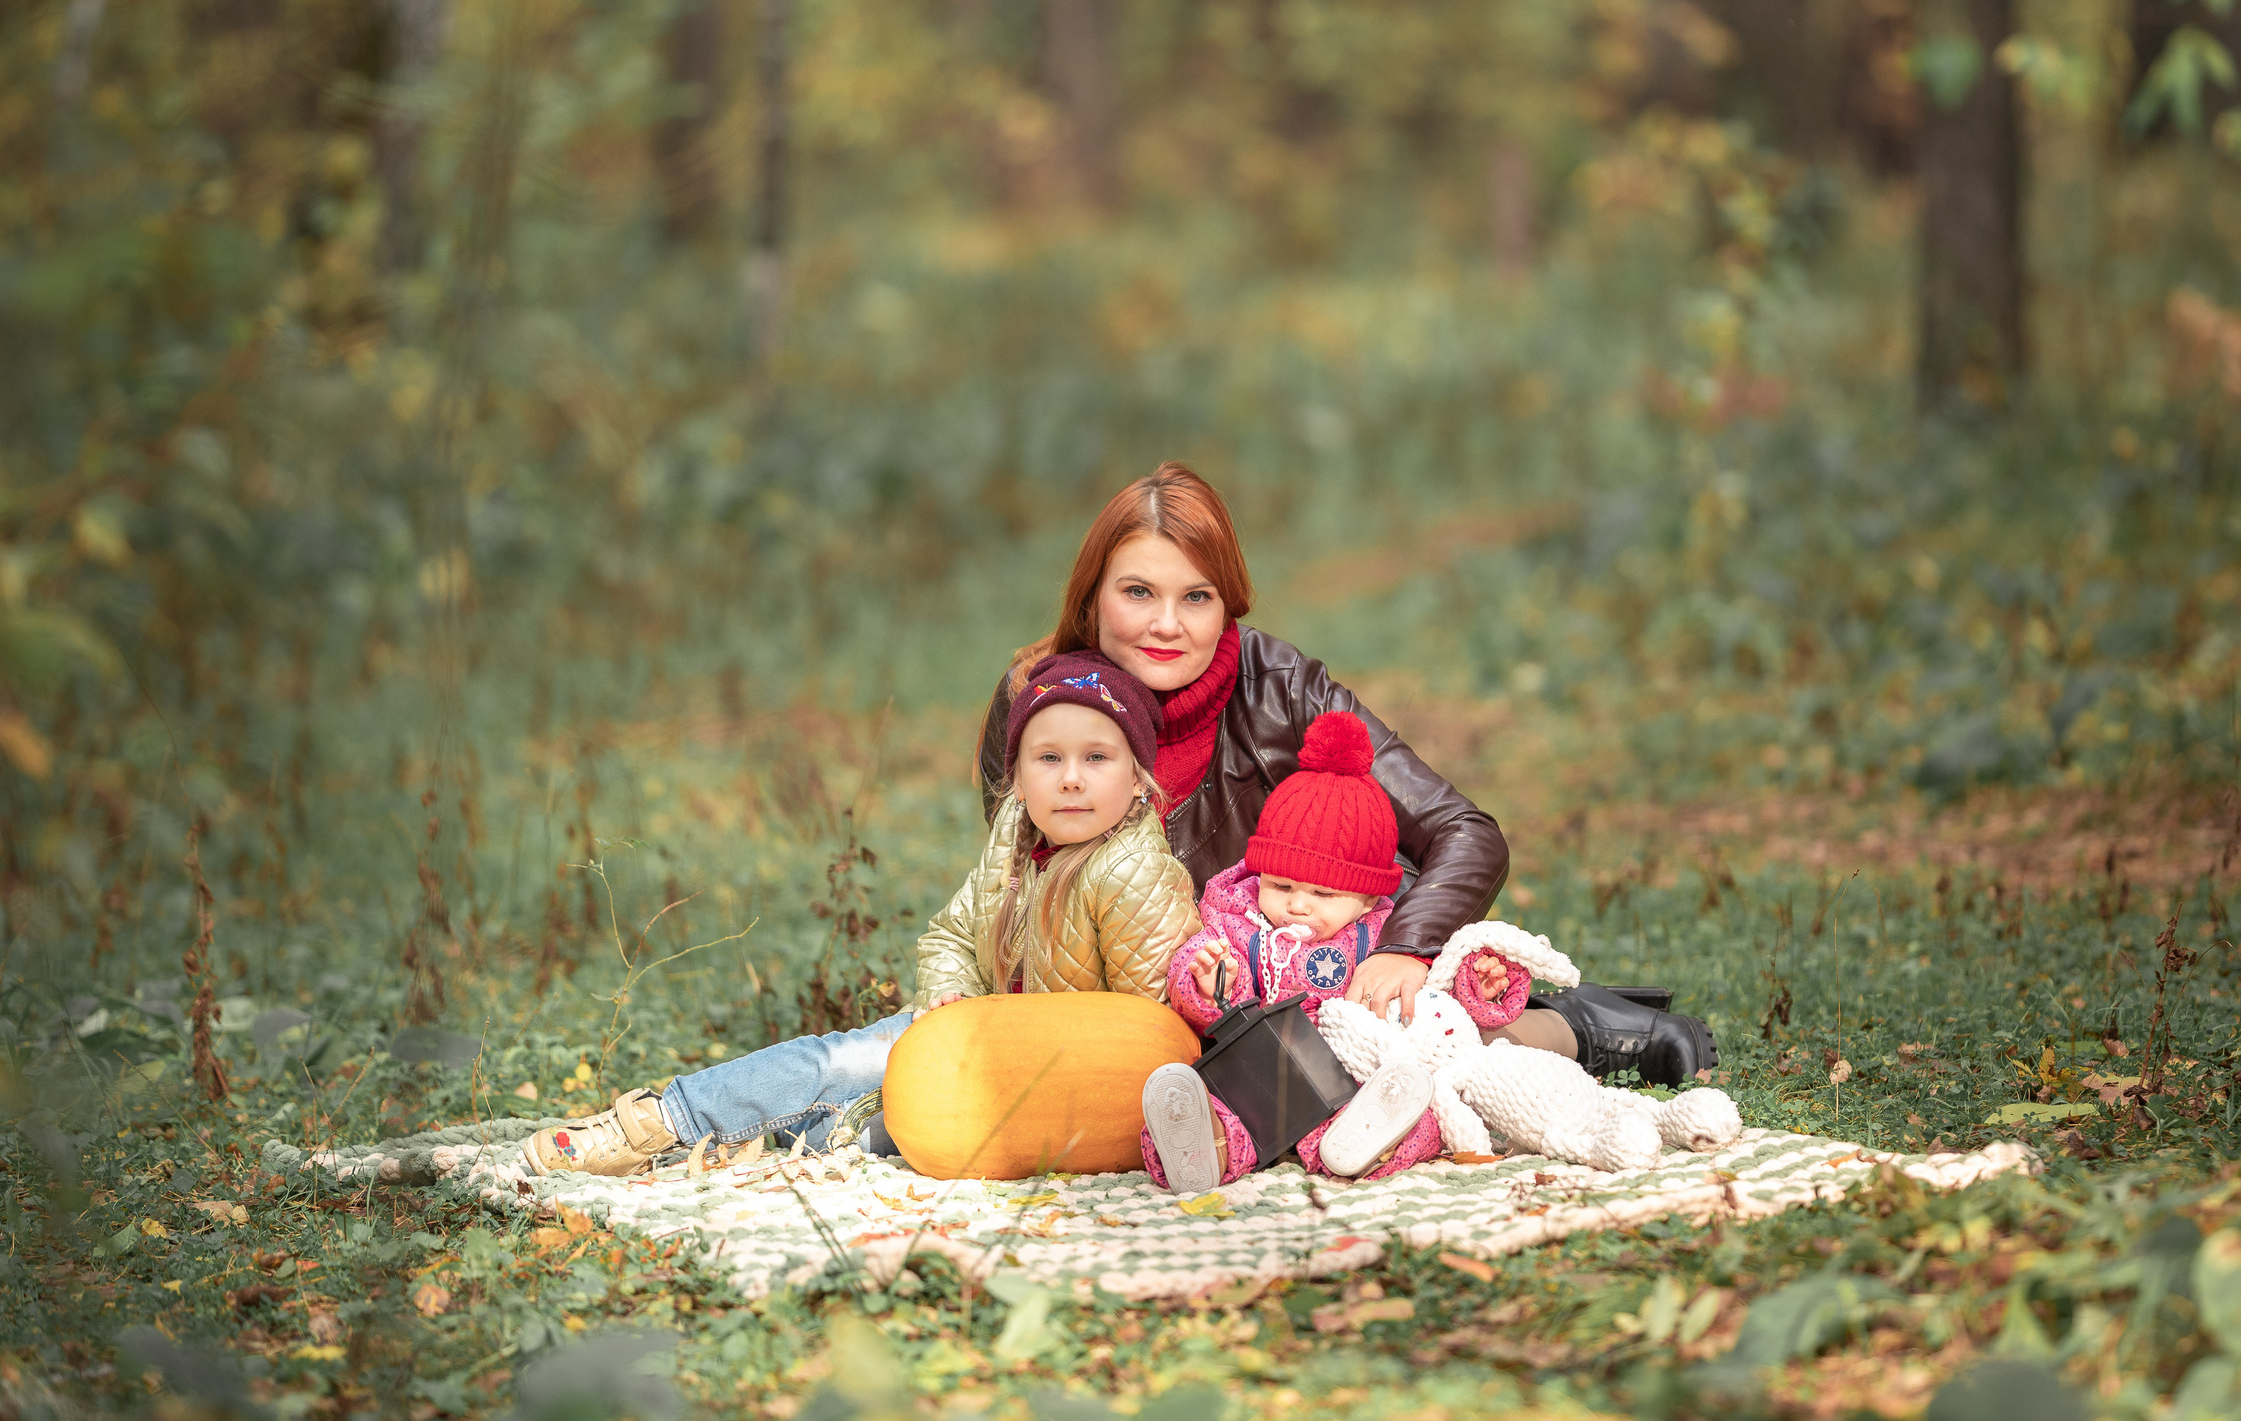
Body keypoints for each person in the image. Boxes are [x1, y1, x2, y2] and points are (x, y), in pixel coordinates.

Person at [976, 461, 1713, 1083]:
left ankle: (1570, 1026)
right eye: (1138, 591)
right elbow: (1020, 885)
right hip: (1158, 1006)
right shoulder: (1033, 706)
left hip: (1315, 973)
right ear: (1091, 596)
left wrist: (1404, 948)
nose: (1167, 624)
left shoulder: (1281, 688)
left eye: (1196, 596)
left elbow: (1466, 833)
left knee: (1396, 1060)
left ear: (1227, 603)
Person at [523, 652, 1199, 1178]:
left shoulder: (1134, 872)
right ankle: (662, 1120)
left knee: (882, 1124)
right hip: (967, 1035)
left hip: (1054, 1083)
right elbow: (951, 932)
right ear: (1018, 777)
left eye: (1097, 758)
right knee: (842, 1059)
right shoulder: (1017, 839)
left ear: (1138, 778)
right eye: (1048, 758)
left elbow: (1145, 1025)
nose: (1071, 778)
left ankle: (744, 1132)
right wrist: (948, 995)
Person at [1138, 712, 1531, 1194]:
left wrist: (1482, 985)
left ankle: (1381, 1137)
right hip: (1262, 1075)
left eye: (1323, 896)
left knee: (1403, 1109)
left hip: (1351, 1081)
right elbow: (1201, 977)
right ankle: (1201, 1142)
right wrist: (1208, 980)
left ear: (1367, 898)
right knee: (1228, 1108)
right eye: (1281, 885)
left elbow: (1438, 999)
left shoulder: (1384, 935)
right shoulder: (1236, 917)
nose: (1297, 905)